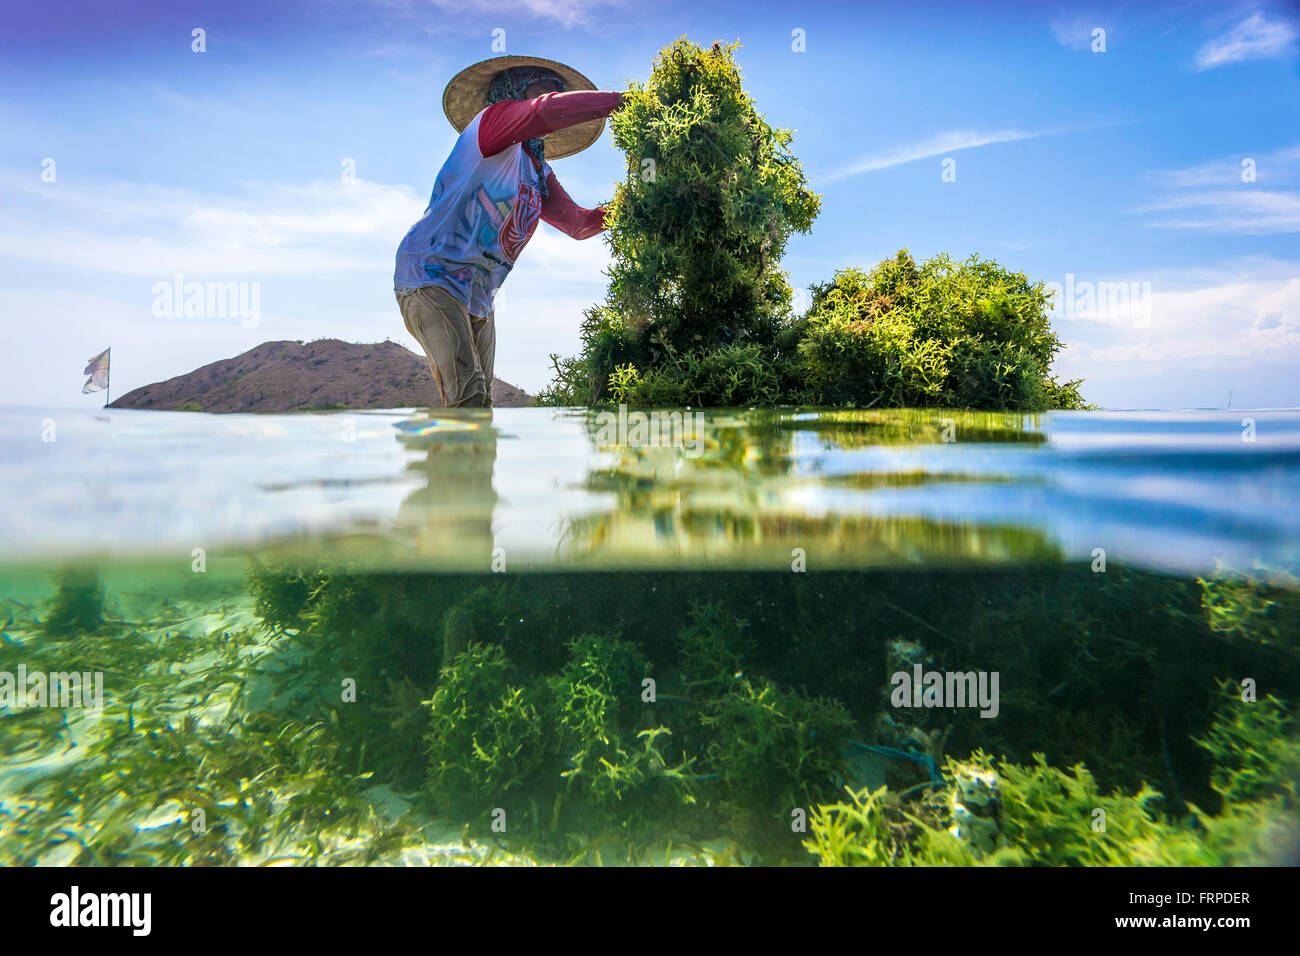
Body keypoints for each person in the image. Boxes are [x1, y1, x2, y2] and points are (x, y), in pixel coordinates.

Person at [394, 55, 624, 408]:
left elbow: (578, 225)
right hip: (430, 275)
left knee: (481, 403)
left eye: (559, 90)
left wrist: (632, 206)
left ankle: (460, 462)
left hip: (478, 294)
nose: (554, 93)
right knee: (468, 397)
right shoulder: (492, 124)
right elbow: (541, 112)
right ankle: (442, 458)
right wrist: (622, 102)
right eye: (545, 86)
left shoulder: (536, 170)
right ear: (515, 88)